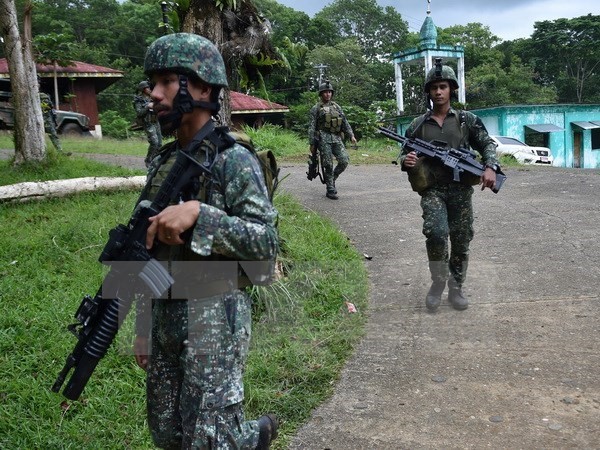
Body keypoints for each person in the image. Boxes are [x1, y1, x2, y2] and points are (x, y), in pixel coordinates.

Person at [133, 32, 279, 449]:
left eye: (166, 81)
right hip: (165, 313)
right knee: (168, 432)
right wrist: (144, 327)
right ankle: (251, 437)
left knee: (209, 439)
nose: (154, 94)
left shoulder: (234, 160)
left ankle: (247, 438)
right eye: (151, 83)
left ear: (201, 86)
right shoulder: (163, 163)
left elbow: (265, 242)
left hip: (214, 314)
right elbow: (148, 253)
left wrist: (201, 214)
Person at [399, 61, 501, 312]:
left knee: (461, 238)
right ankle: (437, 283)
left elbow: (487, 144)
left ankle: (456, 287)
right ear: (429, 91)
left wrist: (490, 167)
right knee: (435, 233)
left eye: (442, 86)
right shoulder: (418, 124)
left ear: (451, 89)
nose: (438, 92)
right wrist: (407, 160)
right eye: (433, 87)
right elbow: (404, 153)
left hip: (461, 190)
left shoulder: (467, 120)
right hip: (433, 189)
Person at [308, 80, 357, 200]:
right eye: (325, 92)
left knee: (344, 160)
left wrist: (351, 135)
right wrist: (312, 143)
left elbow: (344, 122)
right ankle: (330, 188)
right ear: (321, 94)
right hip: (323, 138)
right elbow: (311, 126)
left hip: (336, 137)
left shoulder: (336, 107)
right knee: (328, 164)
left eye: (330, 92)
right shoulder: (316, 108)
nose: (328, 94)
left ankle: (332, 179)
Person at [133, 80, 163, 167]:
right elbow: (139, 113)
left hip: (156, 122)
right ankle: (148, 160)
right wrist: (147, 106)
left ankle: (155, 160)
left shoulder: (153, 98)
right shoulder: (138, 100)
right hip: (148, 123)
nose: (150, 89)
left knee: (160, 144)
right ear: (143, 89)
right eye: (148, 88)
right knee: (154, 142)